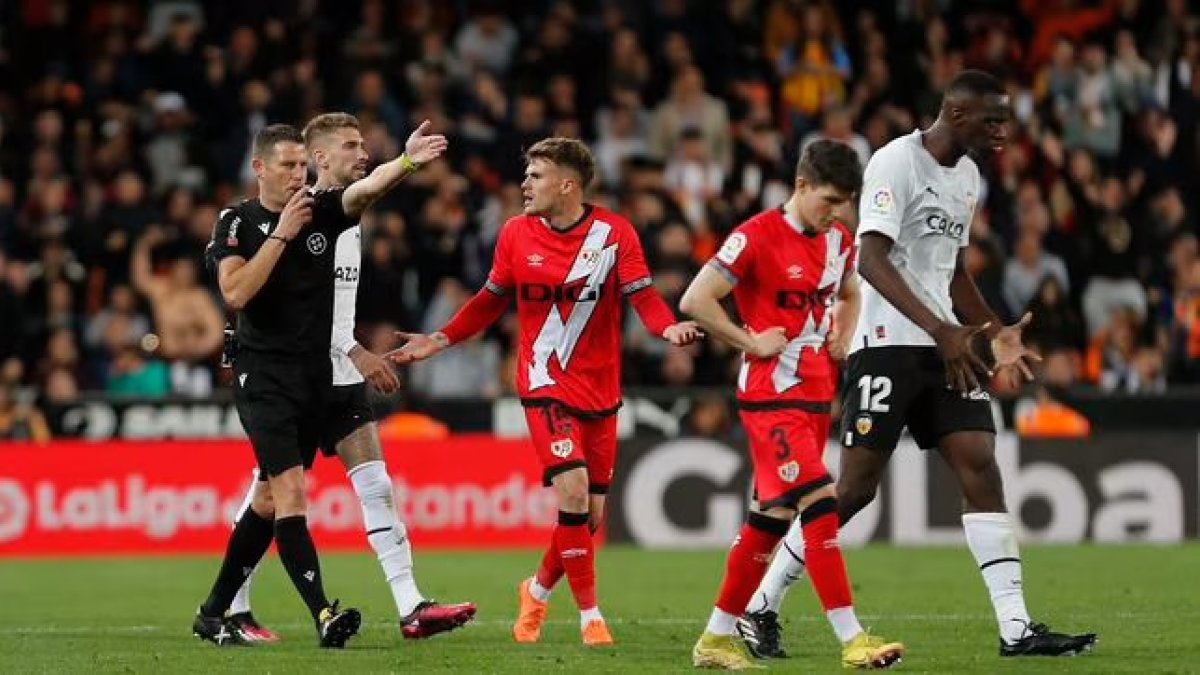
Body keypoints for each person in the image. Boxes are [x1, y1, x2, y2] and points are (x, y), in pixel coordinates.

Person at [739, 70, 1098, 660]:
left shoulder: (969, 177)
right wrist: (943, 330)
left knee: (981, 465)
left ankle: (1016, 627)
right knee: (852, 492)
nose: (1003, 131)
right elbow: (871, 259)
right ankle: (761, 605)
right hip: (885, 344)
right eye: (993, 119)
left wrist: (990, 331)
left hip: (946, 348)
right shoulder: (894, 163)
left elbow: (952, 270)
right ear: (957, 116)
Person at [389, 138, 701, 647]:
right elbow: (490, 301)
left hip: (600, 389)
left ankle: (535, 591)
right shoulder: (515, 234)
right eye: (526, 174)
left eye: (536, 175)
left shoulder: (614, 234)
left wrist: (668, 331)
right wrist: (439, 339)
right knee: (573, 491)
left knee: (588, 517)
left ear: (567, 185)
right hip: (542, 381)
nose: (524, 184)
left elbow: (643, 296)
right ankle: (590, 618)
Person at [218, 113, 476, 643]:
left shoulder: (346, 217)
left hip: (337, 372)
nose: (363, 152)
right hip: (296, 371)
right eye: (352, 145)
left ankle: (411, 606)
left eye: (364, 145)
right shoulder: (292, 217)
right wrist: (355, 350)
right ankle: (233, 604)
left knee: (373, 484)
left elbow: (336, 301)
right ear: (320, 159)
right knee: (270, 495)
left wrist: (404, 163)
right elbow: (287, 309)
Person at [680, 140, 904, 670]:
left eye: (845, 202)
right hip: (769, 396)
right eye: (828, 199)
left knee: (769, 520)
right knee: (821, 503)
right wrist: (748, 340)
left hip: (814, 395)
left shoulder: (839, 241)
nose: (836, 212)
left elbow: (851, 293)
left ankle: (714, 639)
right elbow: (695, 299)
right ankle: (853, 640)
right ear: (800, 186)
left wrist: (843, 337)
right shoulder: (754, 237)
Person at [194, 124, 360, 648]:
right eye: (287, 166)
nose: (298, 175)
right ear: (260, 168)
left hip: (309, 378)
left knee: (267, 499)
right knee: (290, 492)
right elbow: (237, 292)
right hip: (260, 375)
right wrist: (282, 233)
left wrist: (406, 164)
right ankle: (325, 614)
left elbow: (363, 192)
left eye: (301, 166)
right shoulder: (236, 220)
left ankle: (213, 612)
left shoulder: (320, 211)